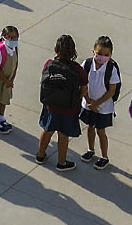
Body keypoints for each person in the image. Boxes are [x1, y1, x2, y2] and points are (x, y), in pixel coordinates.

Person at [35, 34, 86, 171]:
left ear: (55, 49)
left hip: (50, 106)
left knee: (47, 130)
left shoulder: (49, 64)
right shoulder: (77, 69)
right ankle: (61, 163)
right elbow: (84, 89)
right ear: (73, 52)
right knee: (63, 135)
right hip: (68, 109)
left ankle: (40, 155)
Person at [79, 36, 121, 169]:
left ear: (111, 55)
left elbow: (111, 91)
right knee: (90, 127)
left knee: (101, 131)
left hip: (103, 107)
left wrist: (97, 104)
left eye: (106, 55)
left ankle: (104, 156)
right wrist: (89, 102)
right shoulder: (86, 64)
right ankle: (91, 150)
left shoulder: (111, 69)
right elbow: (82, 85)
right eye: (99, 54)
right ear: (93, 52)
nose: (102, 57)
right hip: (88, 104)